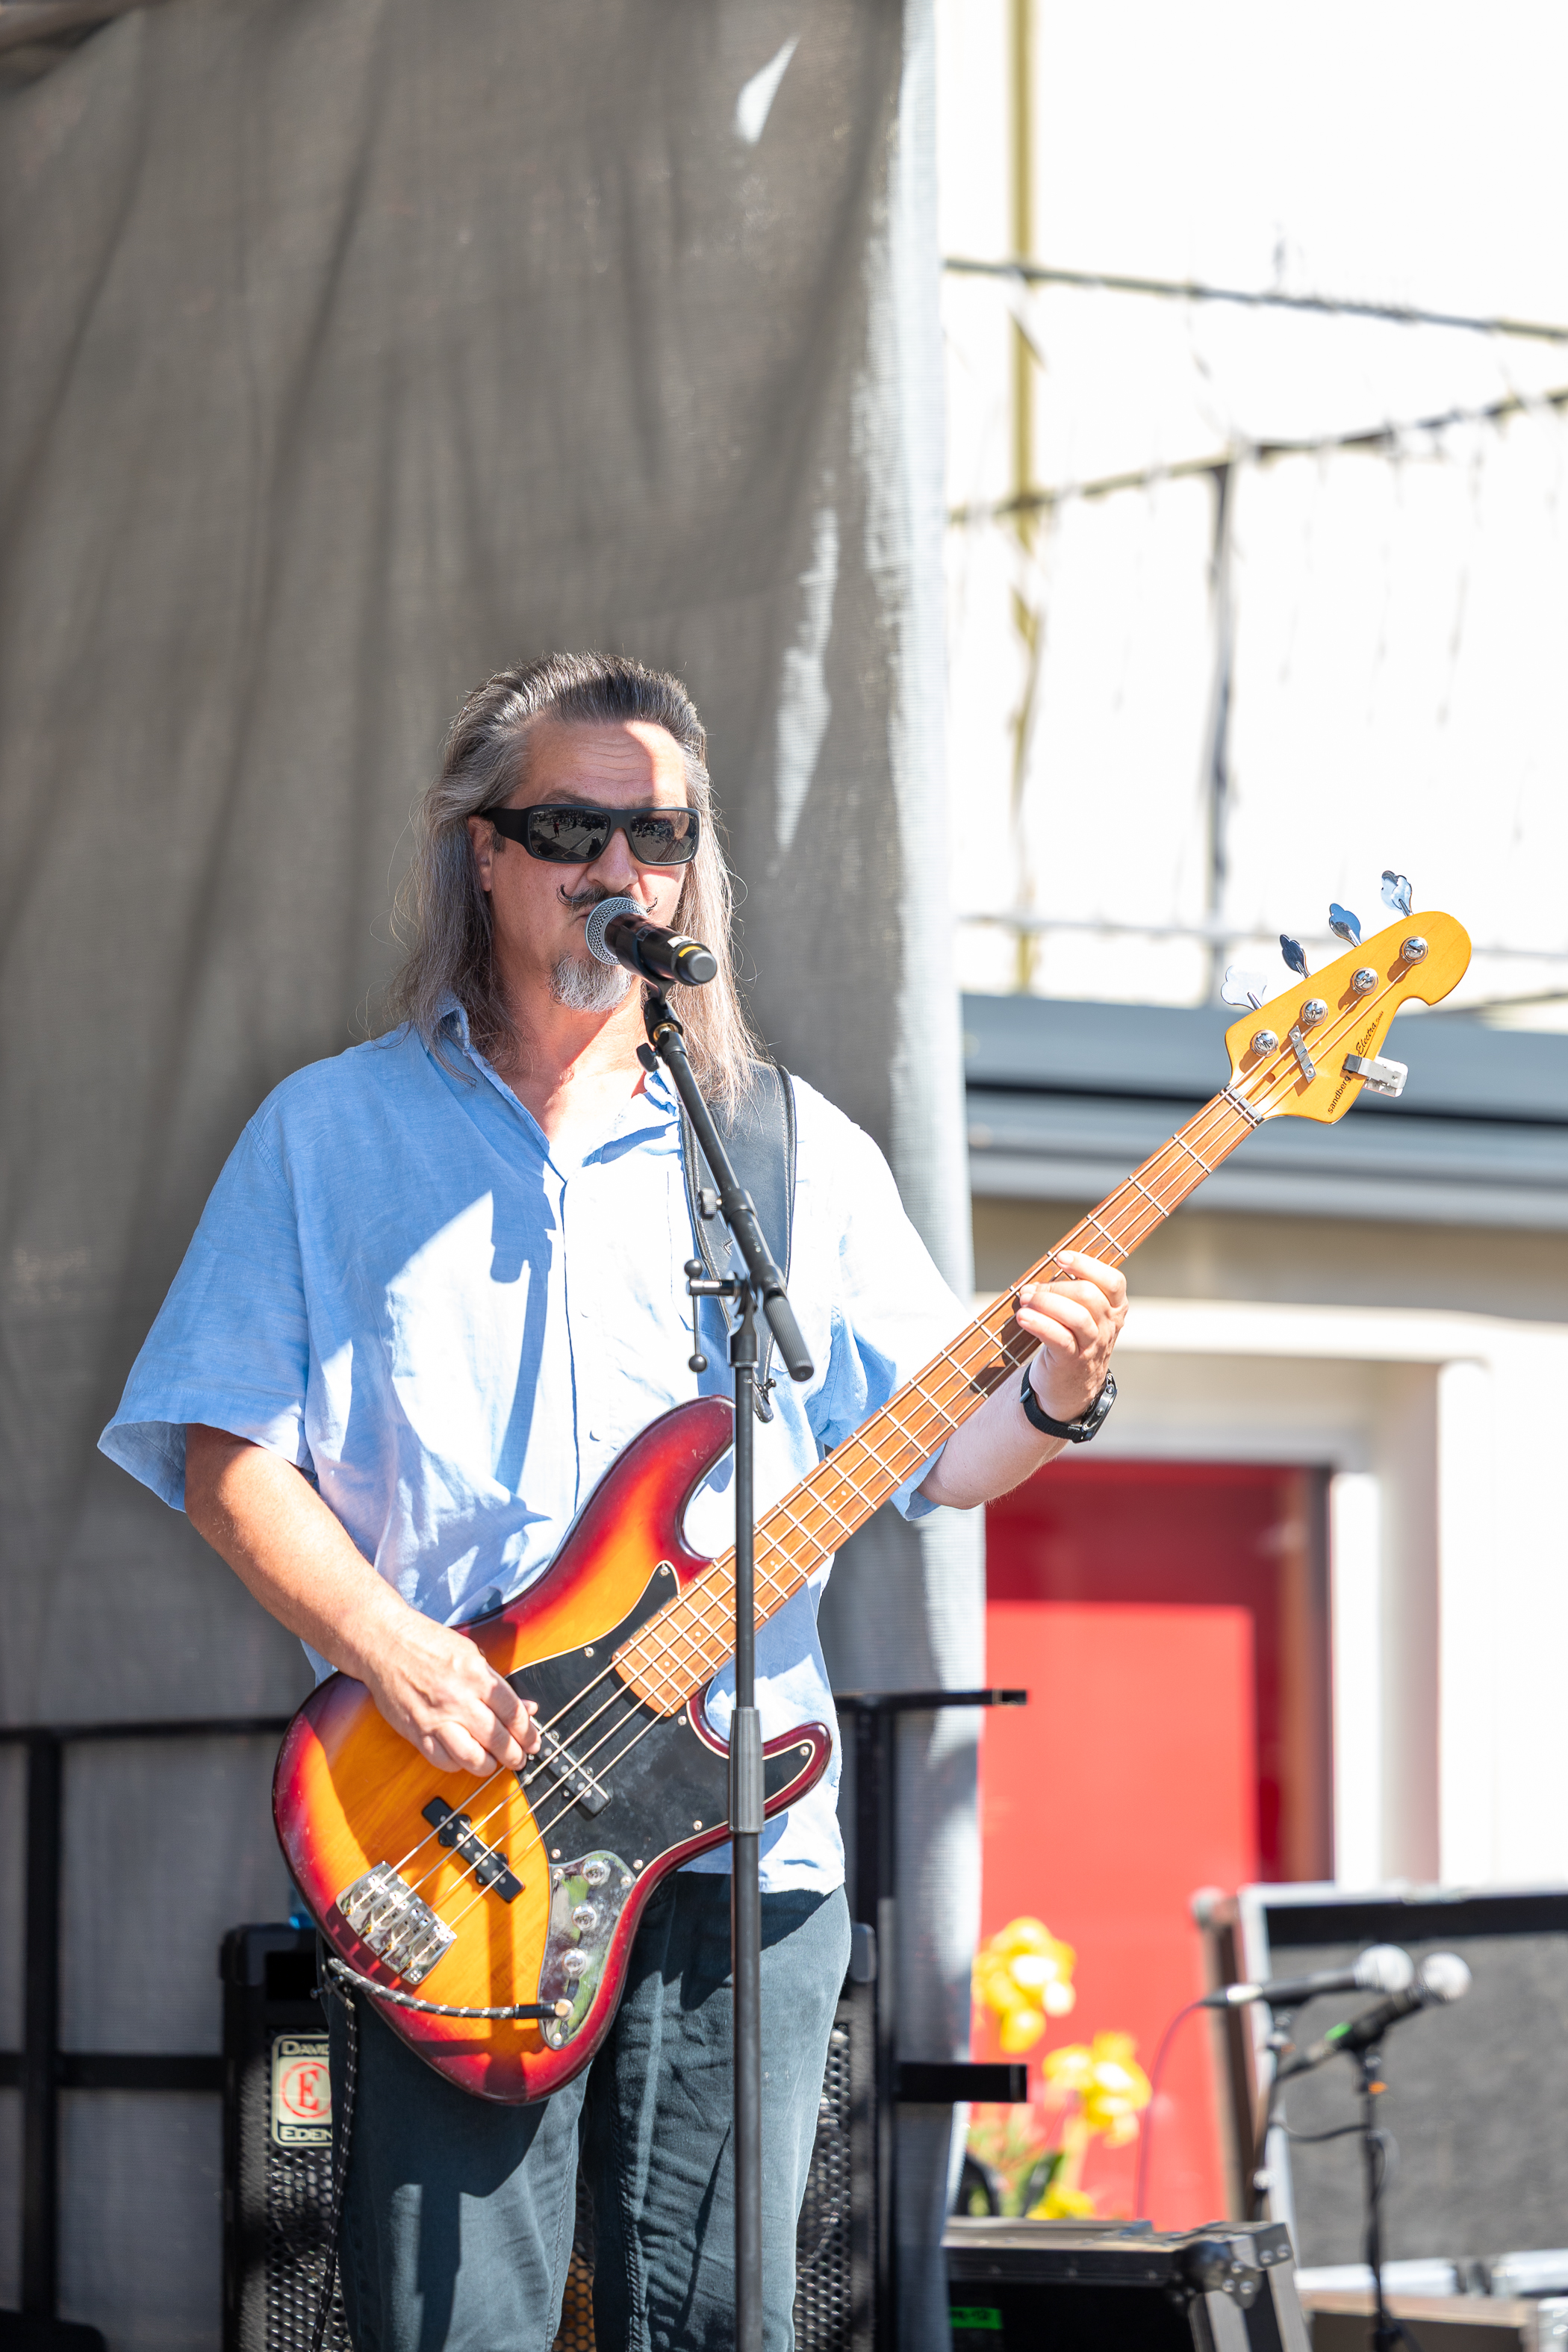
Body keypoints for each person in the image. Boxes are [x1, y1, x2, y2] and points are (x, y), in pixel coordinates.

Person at [100, 652, 1125, 2351]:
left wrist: (1060, 1394)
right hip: (460, 1821)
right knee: (462, 2329)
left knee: (730, 2324)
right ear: (483, 852)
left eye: (658, 832)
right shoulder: (327, 1134)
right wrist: (387, 1643)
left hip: (741, 1843)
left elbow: (939, 1459)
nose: (618, 866)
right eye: (572, 827)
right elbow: (224, 1453)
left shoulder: (785, 1149)